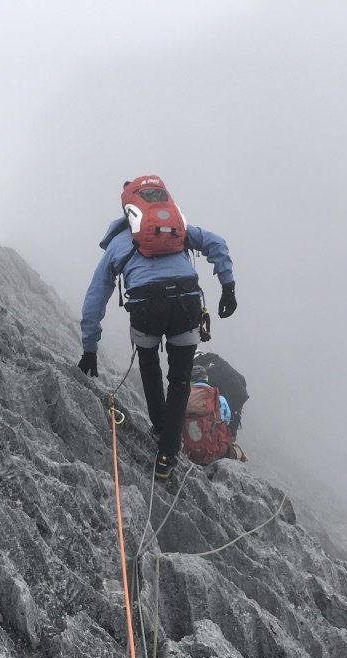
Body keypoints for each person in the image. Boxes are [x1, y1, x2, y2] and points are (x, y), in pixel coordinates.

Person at [78, 175, 236, 479]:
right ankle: (166, 456)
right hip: (186, 301)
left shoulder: (119, 243)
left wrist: (89, 347)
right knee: (179, 382)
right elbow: (216, 242)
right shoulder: (179, 231)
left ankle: (161, 429)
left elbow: (96, 295)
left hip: (146, 306)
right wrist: (227, 285)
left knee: (149, 364)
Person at [192, 350, 249, 439]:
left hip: (222, 397)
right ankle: (229, 441)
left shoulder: (196, 368)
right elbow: (242, 379)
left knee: (216, 429)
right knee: (228, 431)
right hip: (240, 392)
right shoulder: (215, 358)